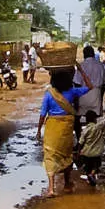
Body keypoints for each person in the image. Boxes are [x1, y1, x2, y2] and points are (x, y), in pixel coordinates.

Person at [37, 67, 92, 197]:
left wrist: (39, 129)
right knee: (66, 155)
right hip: (67, 128)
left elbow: (42, 114)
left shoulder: (49, 94)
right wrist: (82, 71)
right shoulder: (72, 92)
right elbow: (90, 86)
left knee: (50, 155)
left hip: (52, 127)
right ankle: (67, 184)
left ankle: (51, 189)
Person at [75, 110, 105, 188]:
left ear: (86, 120)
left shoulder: (85, 130)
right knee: (96, 165)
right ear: (95, 119)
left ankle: (90, 178)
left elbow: (80, 143)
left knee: (88, 167)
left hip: (87, 153)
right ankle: (92, 175)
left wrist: (79, 152)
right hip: (96, 152)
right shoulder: (99, 126)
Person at [74, 45, 105, 129]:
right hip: (96, 95)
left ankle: (80, 139)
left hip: (83, 95)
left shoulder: (81, 66)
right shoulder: (100, 66)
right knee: (93, 120)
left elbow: (77, 84)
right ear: (93, 54)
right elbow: (104, 84)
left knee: (77, 118)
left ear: (84, 54)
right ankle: (93, 138)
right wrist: (101, 96)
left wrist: (76, 100)